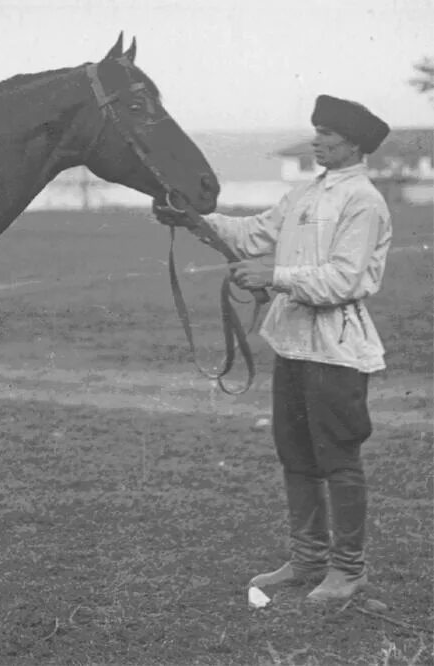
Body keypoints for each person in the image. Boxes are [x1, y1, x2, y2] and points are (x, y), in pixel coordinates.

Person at [155, 94, 391, 602]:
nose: (317, 139)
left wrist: (273, 275)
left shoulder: (363, 200)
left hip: (338, 350)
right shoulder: (306, 195)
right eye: (316, 130)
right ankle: (308, 560)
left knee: (338, 459)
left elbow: (345, 280)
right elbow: (253, 233)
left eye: (327, 133)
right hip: (293, 345)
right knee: (297, 456)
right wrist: (194, 220)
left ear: (354, 142)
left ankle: (348, 571)